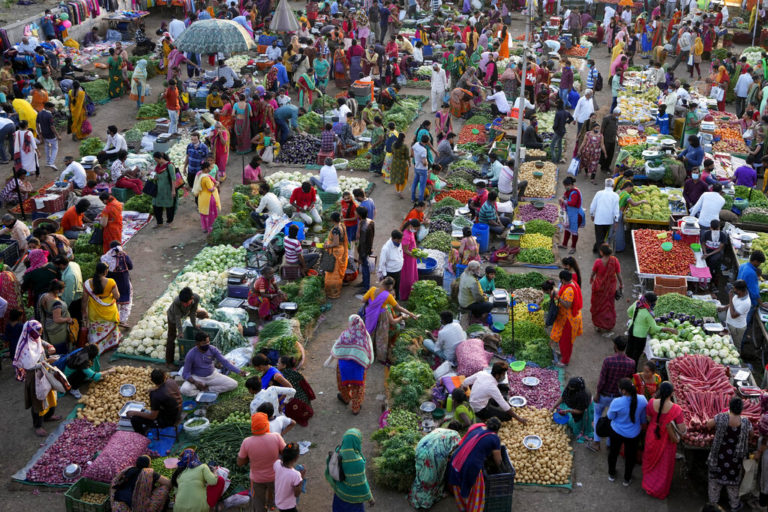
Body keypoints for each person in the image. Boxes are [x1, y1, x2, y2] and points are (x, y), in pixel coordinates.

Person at [704, 397, 752, 511]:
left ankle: (713, 506)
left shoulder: (721, 417)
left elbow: (708, 425)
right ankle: (734, 506)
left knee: (715, 483)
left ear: (729, 407)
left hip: (719, 457)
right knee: (733, 484)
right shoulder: (745, 422)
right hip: (735, 460)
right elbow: (751, 434)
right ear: (741, 410)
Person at [13, 320, 60, 436]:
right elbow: (30, 367)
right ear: (31, 332)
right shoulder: (25, 348)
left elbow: (41, 341)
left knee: (50, 394)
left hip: (45, 371)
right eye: (38, 331)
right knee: (38, 400)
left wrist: (49, 346)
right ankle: (37, 426)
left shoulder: (35, 338)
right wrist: (47, 361)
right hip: (34, 377)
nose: (40, 334)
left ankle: (49, 415)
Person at [448, 418, 504, 511]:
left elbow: (465, 443)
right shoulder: (494, 438)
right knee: (475, 492)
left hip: (456, 460)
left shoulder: (476, 426)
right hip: (470, 466)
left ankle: (463, 507)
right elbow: (498, 460)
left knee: (459, 486)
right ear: (497, 430)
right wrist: (501, 471)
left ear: (486, 424)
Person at [642, 381, 686, 499]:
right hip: (666, 440)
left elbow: (649, 418)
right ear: (671, 393)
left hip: (652, 435)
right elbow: (682, 429)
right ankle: (659, 489)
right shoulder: (677, 409)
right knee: (664, 465)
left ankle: (648, 485)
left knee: (650, 460)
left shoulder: (651, 403)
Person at [326, 314, 375, 415]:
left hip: (344, 367)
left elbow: (336, 349)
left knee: (342, 383)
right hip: (358, 368)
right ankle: (355, 408)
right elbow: (369, 351)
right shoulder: (365, 336)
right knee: (358, 388)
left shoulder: (345, 334)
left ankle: (346, 398)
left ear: (350, 323)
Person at [409, 423, 462, 509]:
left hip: (420, 448)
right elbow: (456, 452)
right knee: (433, 479)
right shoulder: (456, 435)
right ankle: (426, 502)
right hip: (434, 456)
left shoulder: (439, 429)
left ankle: (415, 496)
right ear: (458, 430)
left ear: (448, 427)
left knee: (421, 475)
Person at [607, 378, 648, 486]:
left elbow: (610, 416)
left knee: (613, 453)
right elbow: (643, 417)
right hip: (633, 434)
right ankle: (627, 478)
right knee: (630, 457)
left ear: (624, 391)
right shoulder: (643, 400)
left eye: (620, 388)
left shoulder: (616, 402)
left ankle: (611, 474)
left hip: (617, 432)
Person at [180, 330, 245, 396]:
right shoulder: (191, 354)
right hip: (197, 377)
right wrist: (195, 382)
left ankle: (207, 389)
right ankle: (201, 392)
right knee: (184, 389)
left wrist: (239, 371)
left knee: (233, 384)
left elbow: (225, 362)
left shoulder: (213, 349)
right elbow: (185, 373)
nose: (207, 345)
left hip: (212, 376)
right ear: (197, 344)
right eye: (204, 343)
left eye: (208, 342)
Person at [326, 428, 375, 510]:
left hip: (339, 495)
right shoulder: (357, 462)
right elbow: (361, 484)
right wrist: (370, 498)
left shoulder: (338, 452)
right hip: (353, 501)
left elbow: (329, 466)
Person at [626, 292, 677, 367]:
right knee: (635, 356)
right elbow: (655, 328)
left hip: (631, 331)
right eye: (654, 303)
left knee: (629, 352)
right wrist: (669, 329)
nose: (655, 304)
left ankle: (625, 368)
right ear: (650, 302)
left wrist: (635, 319)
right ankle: (631, 372)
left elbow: (628, 311)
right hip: (640, 337)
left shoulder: (637, 303)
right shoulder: (648, 314)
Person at [127, 369, 182, 435]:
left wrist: (134, 412)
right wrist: (155, 389)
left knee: (135, 419)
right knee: (149, 411)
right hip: (179, 411)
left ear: (152, 380)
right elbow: (163, 387)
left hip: (170, 421)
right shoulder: (171, 381)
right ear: (164, 376)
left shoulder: (155, 395)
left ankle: (141, 437)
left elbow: (152, 416)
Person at [83, 262, 120, 353]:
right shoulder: (111, 282)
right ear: (105, 272)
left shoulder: (88, 283)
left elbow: (84, 300)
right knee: (109, 326)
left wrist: (84, 311)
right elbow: (117, 296)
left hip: (94, 311)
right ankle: (111, 344)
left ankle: (95, 349)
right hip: (109, 310)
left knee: (96, 329)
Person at [550, 270, 583, 367]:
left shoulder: (570, 290)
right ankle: (563, 354)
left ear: (563, 280)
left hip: (570, 319)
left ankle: (565, 361)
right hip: (567, 317)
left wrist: (558, 298)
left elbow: (568, 305)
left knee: (566, 341)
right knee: (562, 339)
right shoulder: (571, 283)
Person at [590, 244, 622, 336]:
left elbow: (593, 272)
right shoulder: (615, 261)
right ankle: (608, 326)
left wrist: (591, 278)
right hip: (610, 288)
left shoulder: (598, 262)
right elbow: (619, 274)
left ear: (601, 252)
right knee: (608, 307)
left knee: (598, 306)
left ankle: (598, 326)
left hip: (598, 288)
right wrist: (621, 284)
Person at [165, 287, 200, 366]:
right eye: (183, 303)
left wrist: (194, 325)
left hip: (185, 313)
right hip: (173, 316)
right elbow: (177, 317)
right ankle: (169, 362)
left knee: (202, 314)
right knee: (171, 337)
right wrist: (180, 332)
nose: (184, 305)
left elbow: (193, 312)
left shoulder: (196, 298)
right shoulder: (177, 302)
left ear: (192, 298)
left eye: (187, 303)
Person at [277, 355, 315, 427]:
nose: (277, 364)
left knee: (288, 409)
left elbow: (287, 392)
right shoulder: (293, 371)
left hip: (296, 400)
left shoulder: (284, 376)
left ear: (284, 365)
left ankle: (300, 416)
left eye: (278, 363)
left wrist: (280, 401)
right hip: (304, 397)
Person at [38, 279, 73, 355]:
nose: (63, 290)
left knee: (53, 347)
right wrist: (68, 319)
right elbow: (57, 319)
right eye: (63, 288)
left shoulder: (44, 296)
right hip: (58, 330)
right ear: (57, 290)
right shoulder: (56, 303)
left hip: (49, 326)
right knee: (60, 349)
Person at [718, 280, 751, 351]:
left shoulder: (746, 303)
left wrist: (730, 298)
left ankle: (739, 361)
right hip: (730, 324)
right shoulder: (738, 295)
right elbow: (733, 304)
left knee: (735, 348)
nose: (733, 290)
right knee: (728, 345)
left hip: (737, 328)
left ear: (740, 291)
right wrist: (723, 308)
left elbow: (733, 315)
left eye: (734, 289)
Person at [323, 211, 349, 299]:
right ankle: (337, 288)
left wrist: (327, 245)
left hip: (336, 252)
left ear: (332, 220)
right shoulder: (342, 226)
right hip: (341, 250)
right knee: (338, 272)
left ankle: (333, 292)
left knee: (333, 273)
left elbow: (336, 243)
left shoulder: (336, 229)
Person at [273, 443, 304, 512]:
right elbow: (297, 494)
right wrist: (302, 477)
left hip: (279, 501)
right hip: (288, 506)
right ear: (296, 457)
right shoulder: (295, 475)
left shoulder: (277, 463)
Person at [151, 152, 178, 228]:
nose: (156, 162)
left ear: (161, 158)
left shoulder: (169, 166)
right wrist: (155, 177)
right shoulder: (158, 166)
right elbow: (157, 175)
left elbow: (173, 179)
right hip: (159, 190)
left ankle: (169, 222)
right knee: (156, 205)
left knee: (169, 206)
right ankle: (159, 222)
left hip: (168, 190)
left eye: (156, 160)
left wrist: (173, 190)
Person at [559, 177, 585, 254]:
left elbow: (572, 203)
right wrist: (563, 197)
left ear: (570, 185)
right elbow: (565, 194)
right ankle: (564, 244)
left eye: (565, 186)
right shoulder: (570, 190)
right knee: (567, 229)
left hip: (576, 215)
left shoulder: (575, 192)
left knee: (574, 231)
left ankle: (573, 247)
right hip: (570, 214)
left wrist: (563, 201)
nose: (565, 188)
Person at [356, 206, 375, 291]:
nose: (354, 213)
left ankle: (366, 286)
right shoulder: (370, 221)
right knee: (365, 266)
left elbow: (362, 242)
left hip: (364, 250)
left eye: (356, 212)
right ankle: (364, 282)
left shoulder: (363, 227)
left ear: (359, 215)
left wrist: (360, 255)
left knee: (365, 267)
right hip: (368, 247)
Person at [390, 133, 410, 199]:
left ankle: (398, 190)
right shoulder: (404, 146)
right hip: (402, 164)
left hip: (395, 163)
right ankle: (400, 191)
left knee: (397, 178)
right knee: (404, 178)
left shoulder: (393, 144)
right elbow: (407, 156)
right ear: (403, 138)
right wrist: (409, 163)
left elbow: (392, 152)